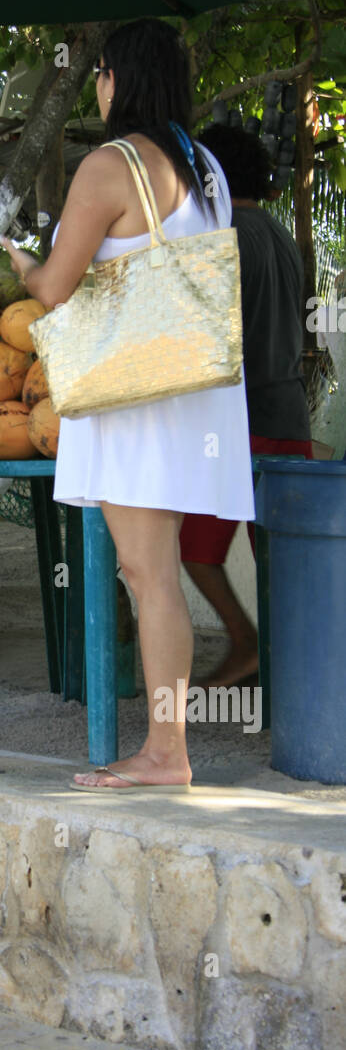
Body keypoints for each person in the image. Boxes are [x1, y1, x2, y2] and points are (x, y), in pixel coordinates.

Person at [1, 18, 255, 792]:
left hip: (134, 395)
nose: (98, 86)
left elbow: (53, 287)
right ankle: (166, 744)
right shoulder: (203, 163)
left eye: (100, 73)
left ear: (116, 78)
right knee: (157, 568)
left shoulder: (110, 166)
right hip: (191, 389)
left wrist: (19, 260)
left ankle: (167, 750)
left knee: (147, 575)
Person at [180, 124, 313, 688]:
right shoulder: (279, 233)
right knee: (283, 561)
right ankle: (298, 668)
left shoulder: (227, 232)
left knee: (195, 549)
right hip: (290, 413)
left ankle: (247, 643)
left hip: (242, 421)